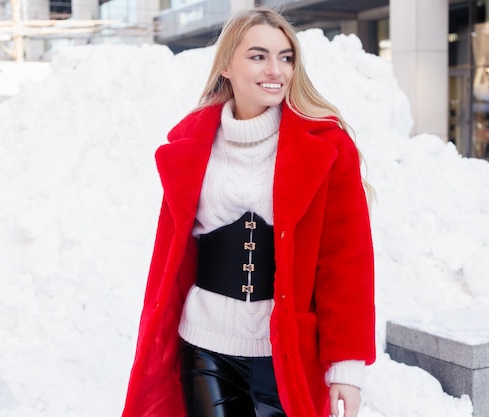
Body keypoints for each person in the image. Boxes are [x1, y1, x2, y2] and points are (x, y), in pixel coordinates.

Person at [121, 6, 375, 417]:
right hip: (204, 348)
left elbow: (346, 261)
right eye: (258, 56)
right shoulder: (190, 145)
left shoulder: (326, 147)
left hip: (287, 355)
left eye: (285, 57)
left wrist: (346, 364)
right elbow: (171, 258)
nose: (275, 69)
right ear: (226, 65)